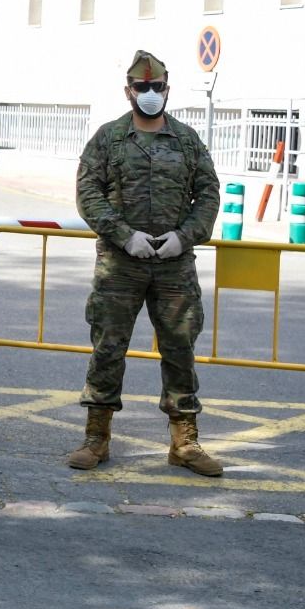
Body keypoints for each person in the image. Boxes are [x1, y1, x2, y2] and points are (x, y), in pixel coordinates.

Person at [68, 50, 223, 477]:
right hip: (121, 265)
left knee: (179, 350)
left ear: (167, 90)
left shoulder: (187, 139)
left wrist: (184, 236)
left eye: (157, 88)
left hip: (174, 266)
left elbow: (208, 193)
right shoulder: (108, 138)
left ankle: (185, 443)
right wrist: (123, 235)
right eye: (142, 88)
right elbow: (88, 193)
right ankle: (96, 438)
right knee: (108, 349)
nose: (150, 94)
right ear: (128, 91)